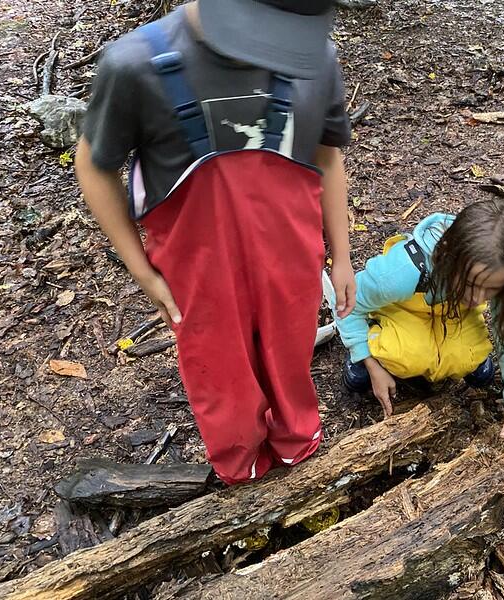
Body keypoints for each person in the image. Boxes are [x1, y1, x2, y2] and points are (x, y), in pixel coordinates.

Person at [75, 0, 356, 483]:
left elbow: (328, 159)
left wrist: (343, 257)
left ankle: (296, 450)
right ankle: (239, 466)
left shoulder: (316, 61)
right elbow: (95, 166)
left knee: (291, 358)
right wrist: (142, 272)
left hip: (290, 260)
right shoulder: (136, 65)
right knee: (222, 378)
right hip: (199, 274)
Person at [337, 199, 504, 467]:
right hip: (404, 309)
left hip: (449, 311)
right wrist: (369, 360)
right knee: (407, 356)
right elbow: (347, 305)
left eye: (491, 289)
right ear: (450, 257)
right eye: (472, 284)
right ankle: (369, 351)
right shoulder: (402, 271)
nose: (478, 298)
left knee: (467, 358)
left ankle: (458, 353)